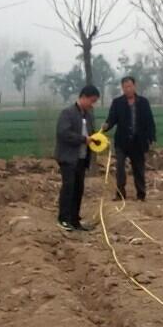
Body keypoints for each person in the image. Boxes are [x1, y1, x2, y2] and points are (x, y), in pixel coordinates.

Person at [54, 85, 101, 232]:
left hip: (82, 159)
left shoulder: (88, 116)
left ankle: (75, 220)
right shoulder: (67, 113)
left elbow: (91, 135)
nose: (91, 105)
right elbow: (63, 133)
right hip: (68, 158)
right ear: (84, 97)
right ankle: (63, 219)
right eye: (91, 101)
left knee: (78, 189)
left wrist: (98, 139)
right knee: (69, 187)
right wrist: (82, 139)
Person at [102, 77, 156, 201]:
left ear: (134, 86)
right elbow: (112, 119)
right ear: (122, 88)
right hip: (122, 142)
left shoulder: (143, 102)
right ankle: (120, 194)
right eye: (125, 87)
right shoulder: (117, 102)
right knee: (120, 168)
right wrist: (106, 126)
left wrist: (151, 138)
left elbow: (150, 122)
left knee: (138, 169)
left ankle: (141, 195)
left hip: (138, 142)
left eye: (130, 86)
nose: (128, 89)